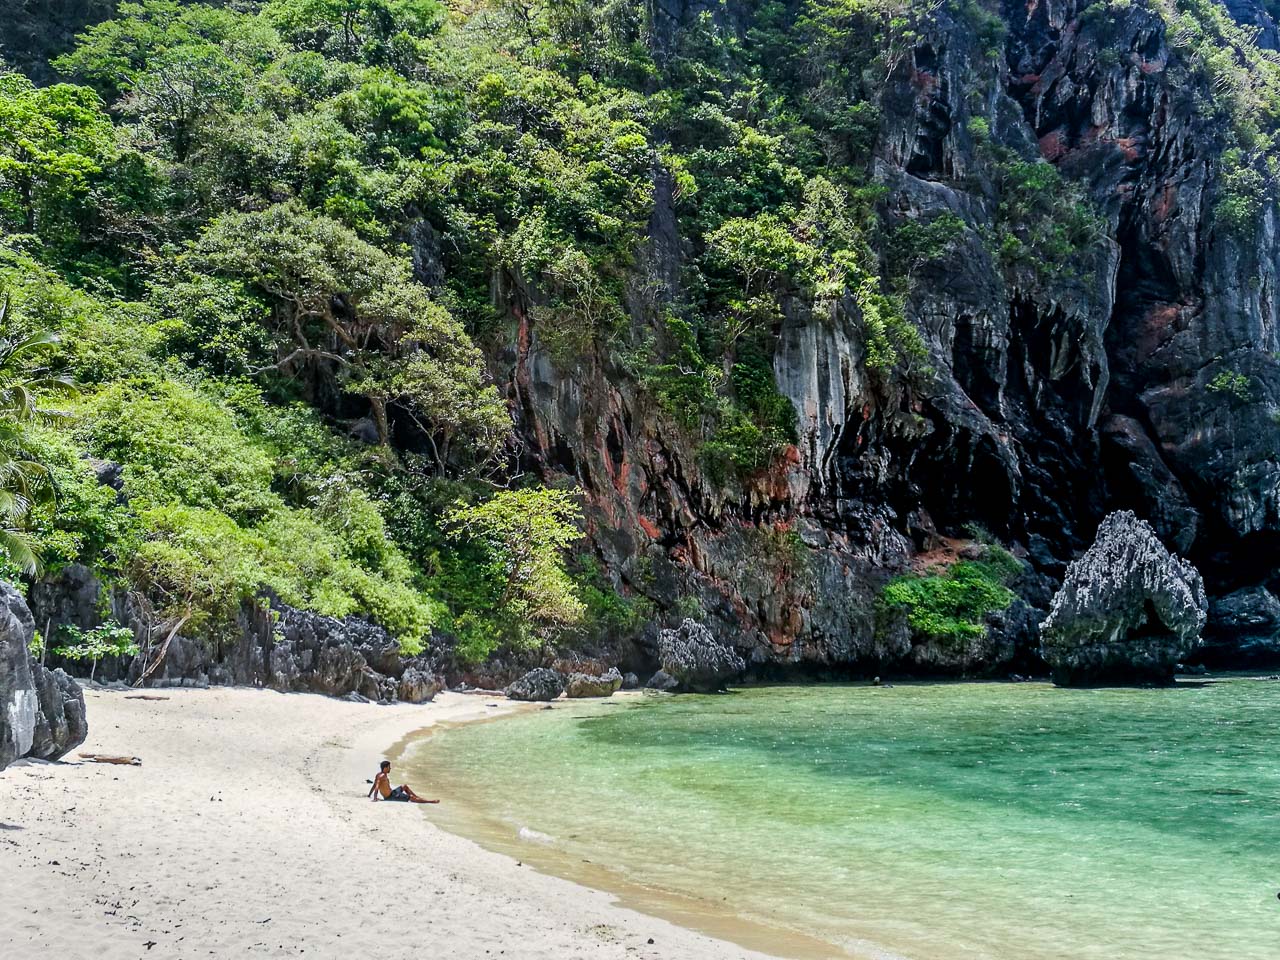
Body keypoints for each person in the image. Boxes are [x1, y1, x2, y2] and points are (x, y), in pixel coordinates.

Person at [368, 760, 438, 804]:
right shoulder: (381, 776)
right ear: (385, 768)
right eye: (389, 767)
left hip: (393, 793)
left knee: (404, 786)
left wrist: (369, 795)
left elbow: (373, 786)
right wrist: (375, 798)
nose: (390, 768)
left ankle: (417, 797)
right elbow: (376, 787)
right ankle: (430, 801)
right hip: (391, 797)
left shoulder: (380, 775)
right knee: (411, 797)